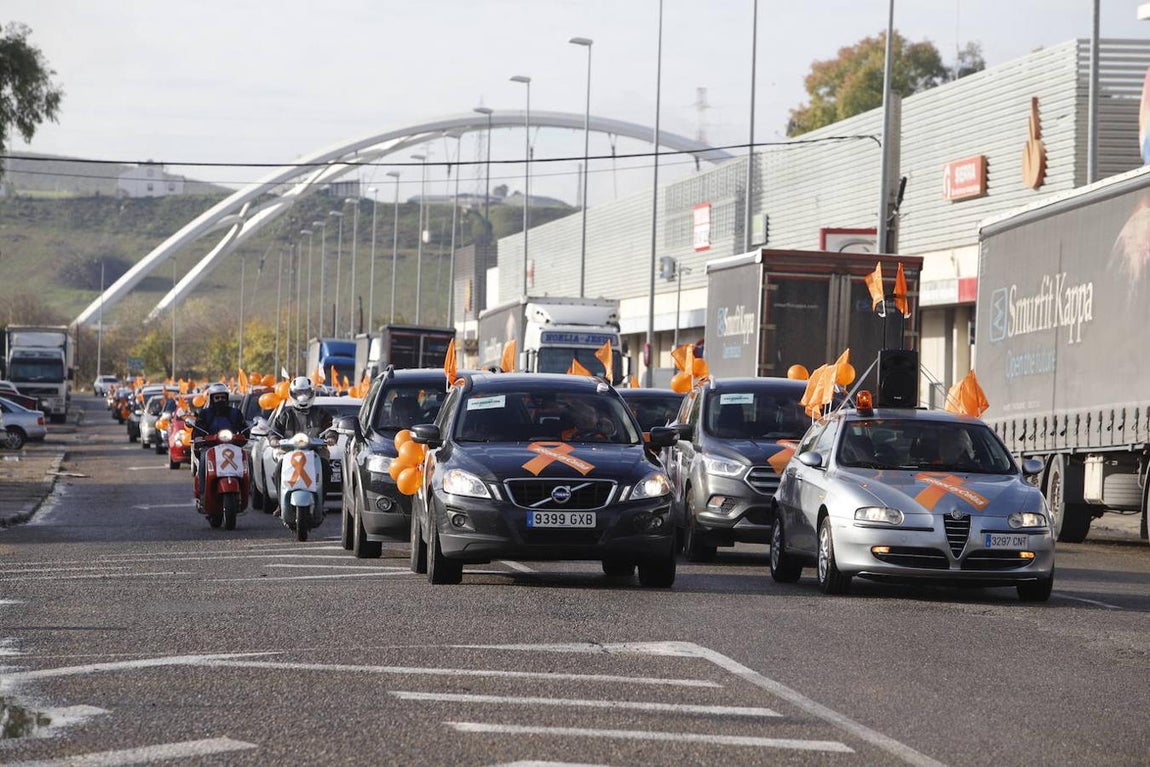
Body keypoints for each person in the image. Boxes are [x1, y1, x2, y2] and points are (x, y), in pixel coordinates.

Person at [268, 377, 332, 501]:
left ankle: (321, 501)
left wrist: (331, 437)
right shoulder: (285, 415)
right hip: (288, 453)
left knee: (326, 469)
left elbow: (330, 428)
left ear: (312, 393)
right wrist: (274, 439)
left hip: (316, 452)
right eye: (299, 393)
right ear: (292, 394)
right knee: (278, 470)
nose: (302, 396)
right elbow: (274, 431)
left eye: (306, 393)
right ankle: (280, 503)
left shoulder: (321, 413)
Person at [193, 382, 247, 502]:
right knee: (203, 458)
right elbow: (197, 431)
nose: (220, 400)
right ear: (212, 399)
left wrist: (244, 435)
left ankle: (245, 491)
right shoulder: (204, 413)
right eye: (217, 398)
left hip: (232, 447)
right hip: (210, 447)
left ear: (227, 398)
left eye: (223, 397)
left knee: (245, 458)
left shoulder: (235, 413)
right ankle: (203, 492)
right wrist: (199, 438)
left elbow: (244, 428)